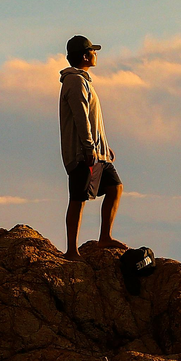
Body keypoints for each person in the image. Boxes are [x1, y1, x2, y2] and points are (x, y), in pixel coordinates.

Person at [59, 34, 121, 259]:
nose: (95, 54)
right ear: (85, 56)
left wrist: (104, 146)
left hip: (97, 152)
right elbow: (81, 117)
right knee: (78, 198)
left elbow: (92, 120)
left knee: (115, 187)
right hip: (83, 153)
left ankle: (105, 237)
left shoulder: (82, 80)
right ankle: (72, 250)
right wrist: (88, 148)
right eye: (93, 51)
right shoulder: (74, 81)